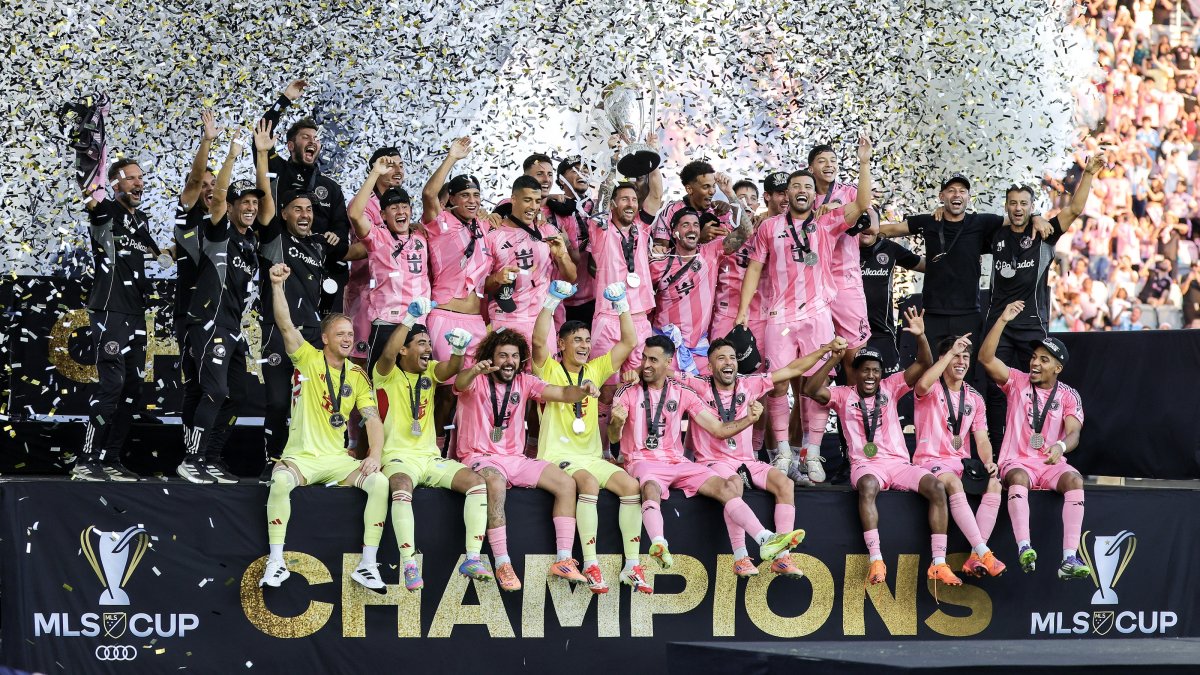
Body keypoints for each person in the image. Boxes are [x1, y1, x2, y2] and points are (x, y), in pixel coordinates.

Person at [608, 335, 805, 585]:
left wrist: (749, 420)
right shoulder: (628, 390)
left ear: (668, 363)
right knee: (649, 487)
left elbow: (719, 430)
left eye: (653, 360)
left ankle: (765, 539)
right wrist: (616, 421)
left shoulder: (683, 392)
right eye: (644, 358)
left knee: (725, 487)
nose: (646, 364)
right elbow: (613, 437)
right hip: (642, 459)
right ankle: (659, 543)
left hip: (678, 462)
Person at [736, 135, 875, 484]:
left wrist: (863, 162)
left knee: (814, 386)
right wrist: (741, 313)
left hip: (816, 315)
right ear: (787, 194)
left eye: (807, 187)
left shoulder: (826, 224)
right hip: (779, 317)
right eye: (795, 186)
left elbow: (861, 203)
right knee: (779, 385)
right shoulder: (769, 227)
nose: (801, 191)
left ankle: (811, 454)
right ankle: (782, 452)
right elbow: (754, 268)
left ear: (815, 195)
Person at [803, 308, 963, 589]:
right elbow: (810, 389)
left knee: (937, 488)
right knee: (866, 486)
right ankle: (876, 559)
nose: (870, 375)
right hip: (867, 466)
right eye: (865, 370)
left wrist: (921, 336)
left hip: (899, 465)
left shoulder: (891, 387)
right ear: (855, 372)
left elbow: (924, 363)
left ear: (881, 374)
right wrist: (832, 361)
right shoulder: (843, 395)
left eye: (875, 371)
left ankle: (938, 563)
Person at [260, 263, 388, 591]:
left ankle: (368, 564)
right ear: (326, 338)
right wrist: (277, 286)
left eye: (351, 334)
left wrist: (374, 454)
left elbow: (372, 419)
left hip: (336, 461)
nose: (349, 339)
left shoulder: (357, 375)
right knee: (279, 482)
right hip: (302, 457)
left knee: (379, 483)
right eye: (341, 334)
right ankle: (275, 563)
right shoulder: (308, 358)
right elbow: (286, 325)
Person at [683, 338, 841, 578]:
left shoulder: (749, 384)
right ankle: (741, 558)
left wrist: (825, 349)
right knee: (733, 485)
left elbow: (793, 369)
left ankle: (782, 558)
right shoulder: (696, 384)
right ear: (710, 366)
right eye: (721, 358)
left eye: (733, 358)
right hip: (712, 461)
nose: (729, 363)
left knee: (785, 483)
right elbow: (664, 371)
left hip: (747, 460)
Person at [532, 281, 649, 594]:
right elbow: (537, 341)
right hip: (558, 456)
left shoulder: (595, 370)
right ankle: (591, 562)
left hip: (591, 456)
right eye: (577, 340)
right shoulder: (549, 370)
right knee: (588, 482)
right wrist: (551, 301)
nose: (584, 345)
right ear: (563, 343)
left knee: (630, 486)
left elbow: (629, 341)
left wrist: (622, 304)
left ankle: (631, 564)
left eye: (586, 339)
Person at [454, 329, 594, 592]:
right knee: (494, 483)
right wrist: (474, 370)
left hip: (515, 459)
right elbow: (460, 384)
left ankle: (564, 559)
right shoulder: (477, 380)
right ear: (490, 357)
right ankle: (502, 562)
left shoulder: (525, 381)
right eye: (503, 355)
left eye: (515, 356)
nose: (509, 361)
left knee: (566, 484)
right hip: (479, 456)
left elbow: (563, 394)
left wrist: (582, 390)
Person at [176, 121, 275, 484]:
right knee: (214, 390)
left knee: (238, 395)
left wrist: (262, 157)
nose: (250, 208)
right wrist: (232, 156)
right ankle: (191, 459)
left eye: (253, 203)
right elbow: (216, 199)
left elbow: (266, 212)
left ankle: (212, 458)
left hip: (233, 327)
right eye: (243, 202)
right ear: (231, 207)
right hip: (209, 323)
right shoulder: (218, 232)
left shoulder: (252, 243)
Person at [981, 153, 1105, 441]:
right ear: (1006, 206)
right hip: (998, 325)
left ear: (1032, 206)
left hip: (1030, 326)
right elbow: (961, 229)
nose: (1018, 208)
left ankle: (1033, 445)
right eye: (1013, 203)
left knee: (1036, 387)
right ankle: (999, 451)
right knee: (994, 389)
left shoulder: (1045, 233)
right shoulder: (995, 235)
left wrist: (1088, 174)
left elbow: (1074, 209)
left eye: (1024, 203)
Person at [371, 298, 489, 590]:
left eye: (428, 344)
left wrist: (459, 350)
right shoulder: (385, 374)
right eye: (421, 343)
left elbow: (451, 369)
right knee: (399, 484)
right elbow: (387, 353)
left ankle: (472, 557)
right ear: (404, 349)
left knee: (476, 482)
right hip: (398, 458)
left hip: (429, 458)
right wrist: (409, 318)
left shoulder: (429, 373)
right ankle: (409, 562)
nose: (428, 349)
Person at [979, 301, 1090, 580]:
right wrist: (1002, 320)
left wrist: (1060, 446)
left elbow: (1074, 432)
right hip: (1018, 462)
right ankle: (1024, 548)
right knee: (1016, 476)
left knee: (1075, 480)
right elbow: (986, 358)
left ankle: (1069, 559)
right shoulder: (1017, 381)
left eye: (1044, 360)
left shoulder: (1068, 395)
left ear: (1058, 368)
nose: (1035, 363)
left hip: (1050, 462)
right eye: (1034, 357)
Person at [877, 176, 1053, 352]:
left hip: (968, 314)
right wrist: (861, 232)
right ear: (941, 196)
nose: (957, 194)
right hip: (932, 313)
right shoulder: (929, 221)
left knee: (965, 372)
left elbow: (1016, 217)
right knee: (930, 372)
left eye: (962, 191)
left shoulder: (981, 222)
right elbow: (892, 230)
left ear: (968, 197)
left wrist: (1037, 217)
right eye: (951, 190)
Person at [258, 185, 362, 476]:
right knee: (279, 400)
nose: (305, 215)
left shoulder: (319, 244)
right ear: (284, 213)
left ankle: (321, 456)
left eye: (309, 209)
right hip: (279, 330)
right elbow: (265, 205)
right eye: (297, 208)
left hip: (314, 335)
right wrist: (263, 155)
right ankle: (273, 459)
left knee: (317, 399)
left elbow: (362, 249)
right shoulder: (274, 237)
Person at [71, 153, 157, 481]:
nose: (139, 183)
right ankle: (85, 459)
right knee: (113, 385)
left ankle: (110, 459)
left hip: (135, 314)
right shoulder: (105, 211)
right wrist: (90, 145)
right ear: (115, 184)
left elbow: (159, 253)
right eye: (131, 178)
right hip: (108, 310)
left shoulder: (142, 221)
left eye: (140, 178)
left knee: (133, 388)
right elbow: (89, 189)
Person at [912, 335, 1006, 577]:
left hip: (961, 464)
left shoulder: (974, 397)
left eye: (965, 357)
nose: (962, 361)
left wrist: (988, 462)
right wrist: (948, 354)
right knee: (952, 482)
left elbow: (982, 438)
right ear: (944, 359)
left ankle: (976, 558)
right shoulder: (931, 387)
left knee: (994, 483)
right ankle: (984, 550)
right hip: (929, 461)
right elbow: (921, 384)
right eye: (956, 356)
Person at [420, 137, 491, 448]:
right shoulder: (440, 222)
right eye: (465, 195)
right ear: (452, 200)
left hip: (476, 320)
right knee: (447, 387)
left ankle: (465, 448)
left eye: (476, 195)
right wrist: (452, 158)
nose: (472, 200)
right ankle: (434, 447)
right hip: (446, 316)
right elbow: (428, 194)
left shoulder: (486, 226)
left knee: (475, 387)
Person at [257, 79, 351, 313]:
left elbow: (341, 228)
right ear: (290, 145)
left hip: (323, 271)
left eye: (315, 138)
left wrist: (335, 236)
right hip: (283, 266)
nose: (313, 141)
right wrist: (285, 99)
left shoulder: (330, 187)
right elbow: (262, 135)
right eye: (305, 137)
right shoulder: (276, 170)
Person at [348, 156, 428, 376]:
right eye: (393, 208)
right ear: (383, 215)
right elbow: (355, 213)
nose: (400, 212)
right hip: (387, 323)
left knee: (415, 385)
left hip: (418, 324)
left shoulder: (422, 237)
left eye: (404, 206)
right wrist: (374, 173)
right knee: (379, 383)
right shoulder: (377, 237)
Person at [650, 208, 753, 374]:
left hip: (699, 349)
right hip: (664, 348)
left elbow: (747, 231)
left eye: (696, 225)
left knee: (705, 397)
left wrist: (729, 192)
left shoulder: (710, 252)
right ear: (674, 231)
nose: (692, 229)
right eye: (685, 225)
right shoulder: (658, 263)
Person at [173, 111, 220, 452]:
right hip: (191, 315)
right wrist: (207, 142)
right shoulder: (185, 217)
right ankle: (190, 454)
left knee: (225, 390)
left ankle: (211, 455)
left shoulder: (227, 223)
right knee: (196, 387)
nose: (208, 189)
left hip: (223, 317)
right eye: (204, 185)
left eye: (214, 184)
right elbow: (191, 185)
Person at [484, 175, 576, 339]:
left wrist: (561, 256)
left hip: (542, 320)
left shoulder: (547, 231)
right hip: (505, 319)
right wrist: (497, 278)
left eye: (537, 200)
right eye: (527, 200)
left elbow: (571, 277)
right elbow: (482, 287)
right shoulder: (493, 234)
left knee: (543, 366)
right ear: (513, 199)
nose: (533, 206)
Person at [346, 146, 407, 367]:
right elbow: (369, 244)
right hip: (365, 294)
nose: (398, 170)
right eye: (391, 165)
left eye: (401, 165)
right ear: (377, 169)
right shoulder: (362, 203)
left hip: (394, 298)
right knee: (360, 364)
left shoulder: (399, 206)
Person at [858, 225, 924, 374]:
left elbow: (922, 265)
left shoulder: (889, 248)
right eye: (861, 221)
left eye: (871, 222)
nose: (866, 225)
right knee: (850, 385)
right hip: (846, 332)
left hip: (881, 332)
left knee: (887, 387)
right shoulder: (841, 247)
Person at [651, 161, 736, 245]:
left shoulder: (720, 210)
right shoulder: (671, 210)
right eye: (706, 186)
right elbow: (662, 250)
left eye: (714, 186)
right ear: (689, 189)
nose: (712, 191)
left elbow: (744, 235)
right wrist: (698, 239)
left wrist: (730, 194)